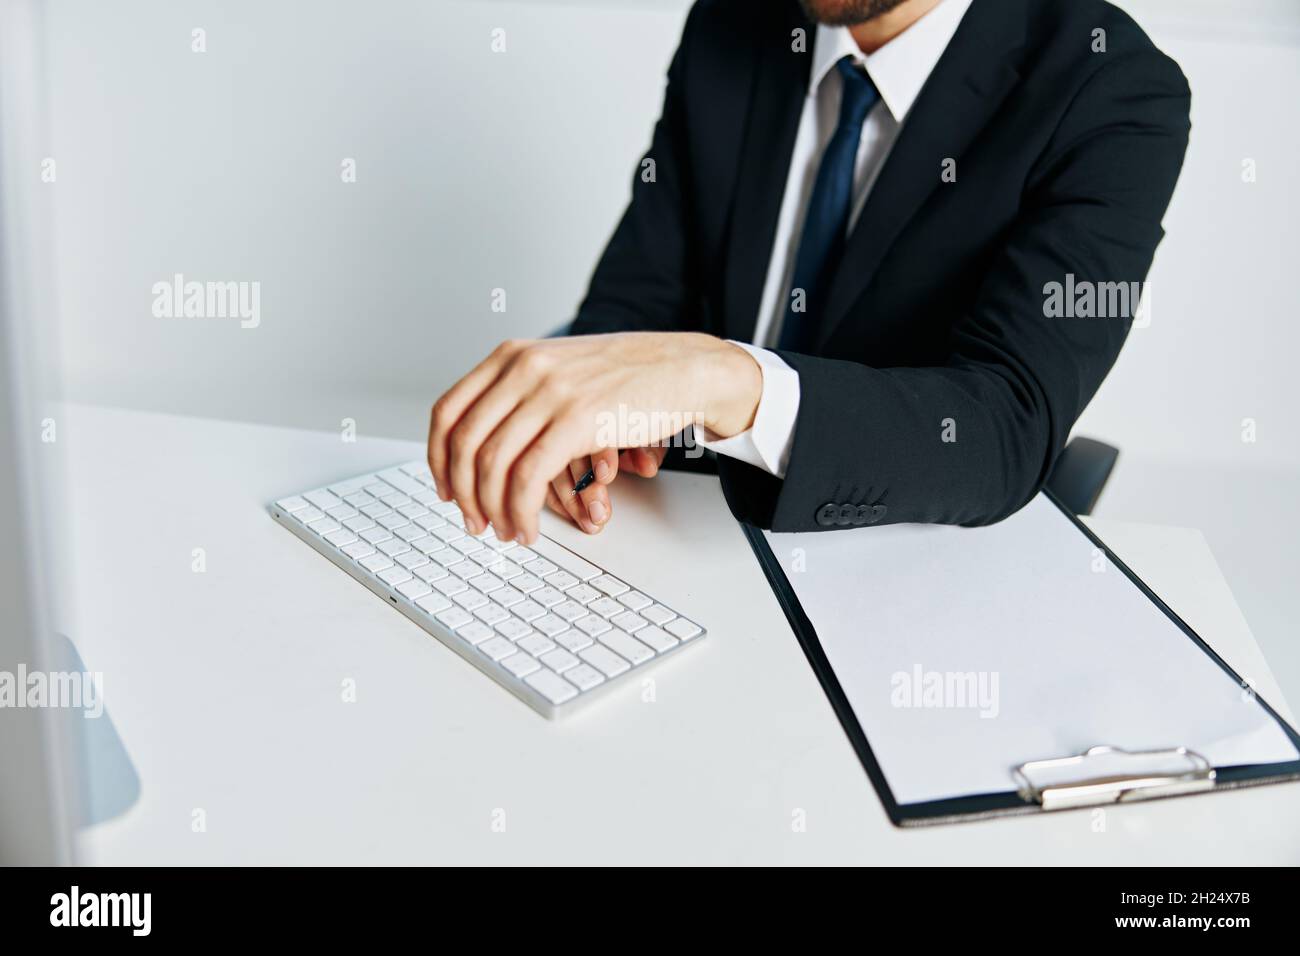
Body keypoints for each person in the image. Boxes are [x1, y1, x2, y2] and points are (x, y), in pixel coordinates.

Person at [426, 0, 1191, 545]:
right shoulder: (732, 22)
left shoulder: (1112, 90)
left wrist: (722, 379)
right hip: (673, 534)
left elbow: (1004, 424)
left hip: (895, 566)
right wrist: (585, 429)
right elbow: (635, 297)